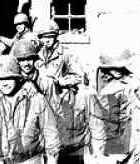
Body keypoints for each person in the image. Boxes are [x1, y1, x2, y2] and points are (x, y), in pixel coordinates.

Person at [0, 55, 61, 164]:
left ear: (17, 78)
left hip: (29, 160)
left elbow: (51, 134)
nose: (4, 83)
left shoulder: (36, 100)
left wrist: (52, 160)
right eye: (0, 79)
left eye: (9, 78)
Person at [33, 19, 89, 164]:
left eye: (50, 36)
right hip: (42, 100)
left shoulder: (65, 54)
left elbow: (78, 76)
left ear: (55, 36)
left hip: (62, 100)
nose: (47, 40)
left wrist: (62, 81)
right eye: (44, 37)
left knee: (61, 138)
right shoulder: (36, 54)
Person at [85, 47, 140, 164]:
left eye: (121, 67)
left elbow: (128, 116)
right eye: (113, 67)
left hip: (120, 126)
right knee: (96, 157)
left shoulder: (131, 83)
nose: (118, 70)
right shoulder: (93, 77)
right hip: (97, 124)